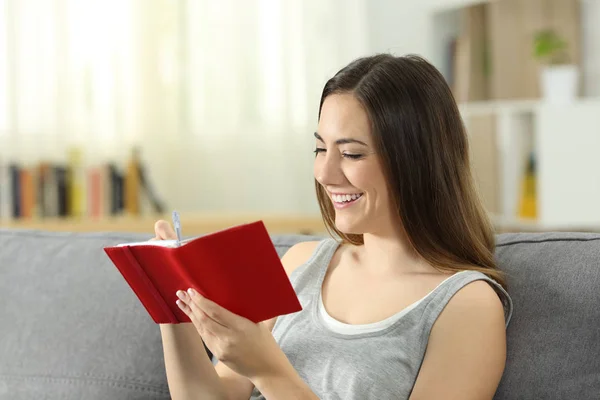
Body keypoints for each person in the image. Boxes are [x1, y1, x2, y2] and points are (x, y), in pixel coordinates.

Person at [155, 53, 514, 400]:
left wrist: (269, 371)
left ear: (417, 162)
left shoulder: (466, 305)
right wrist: (169, 305)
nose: (325, 175)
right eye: (320, 150)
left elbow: (267, 371)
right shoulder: (301, 264)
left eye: (352, 153)